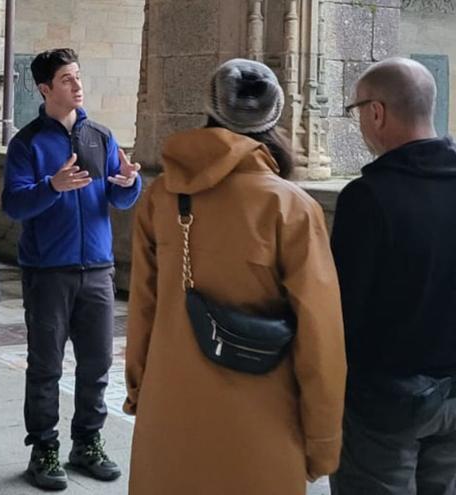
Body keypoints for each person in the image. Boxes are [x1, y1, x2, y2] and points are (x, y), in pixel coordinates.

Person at [124, 58, 346, 494]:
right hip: (262, 418)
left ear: (209, 108)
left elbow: (142, 307)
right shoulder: (291, 207)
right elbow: (319, 334)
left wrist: (139, 390)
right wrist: (323, 439)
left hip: (170, 407)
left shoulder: (160, 197)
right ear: (275, 116)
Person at [1, 48, 141, 491]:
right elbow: (14, 203)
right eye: (66, 79)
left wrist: (129, 183)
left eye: (78, 77)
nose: (77, 86)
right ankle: (43, 448)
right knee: (45, 366)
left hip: (98, 269)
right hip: (48, 271)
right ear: (45, 89)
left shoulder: (100, 136)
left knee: (97, 363)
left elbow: (118, 200)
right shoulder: (27, 143)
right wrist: (53, 185)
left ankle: (87, 442)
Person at [330, 57, 456, 494]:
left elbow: (342, 311)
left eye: (356, 110)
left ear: (377, 111)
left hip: (385, 402)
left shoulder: (367, 197)